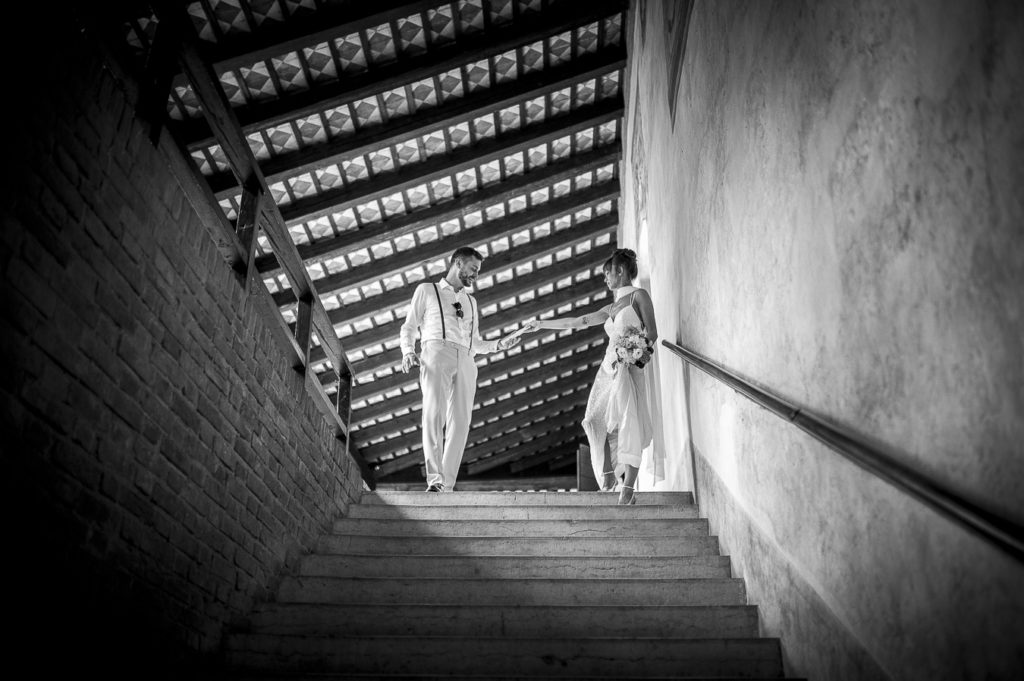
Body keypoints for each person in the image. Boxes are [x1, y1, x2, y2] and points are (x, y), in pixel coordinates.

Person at [520, 248, 658, 504]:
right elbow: (576, 321)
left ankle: (628, 487)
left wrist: (635, 354)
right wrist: (541, 324)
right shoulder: (610, 307)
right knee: (594, 419)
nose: (605, 279)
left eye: (607, 274)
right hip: (608, 368)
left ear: (620, 271)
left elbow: (652, 333)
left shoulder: (639, 296)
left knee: (629, 422)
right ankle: (609, 473)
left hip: (630, 368)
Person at [400, 246, 521, 493]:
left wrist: (499, 344)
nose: (476, 275)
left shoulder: (471, 301)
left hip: (466, 358)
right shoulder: (427, 290)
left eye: (478, 271)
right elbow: (409, 326)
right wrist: (408, 351)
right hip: (436, 351)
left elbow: (475, 341)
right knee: (434, 415)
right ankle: (435, 480)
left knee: (461, 422)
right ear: (458, 263)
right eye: (473, 269)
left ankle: (447, 486)